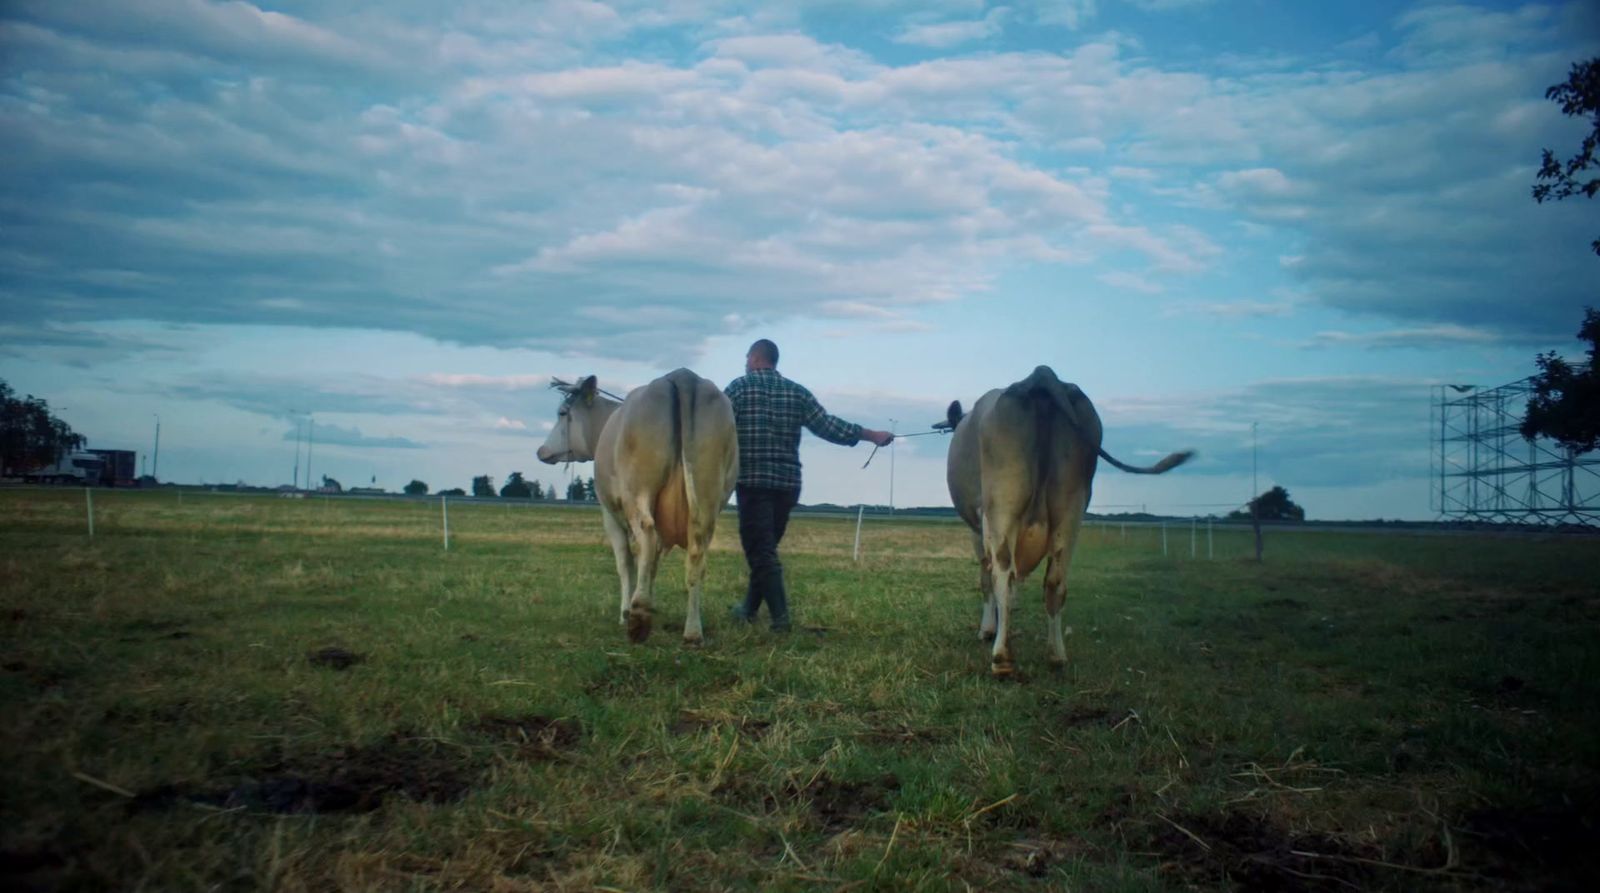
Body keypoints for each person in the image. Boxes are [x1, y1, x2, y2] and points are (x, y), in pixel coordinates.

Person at [725, 339, 894, 632]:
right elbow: (828, 426)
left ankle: (781, 621)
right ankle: (748, 610)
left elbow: (713, 426)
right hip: (788, 485)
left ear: (754, 359)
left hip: (753, 483)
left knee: (762, 551)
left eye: (747, 358)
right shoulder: (797, 392)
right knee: (767, 548)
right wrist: (872, 435)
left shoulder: (737, 389)